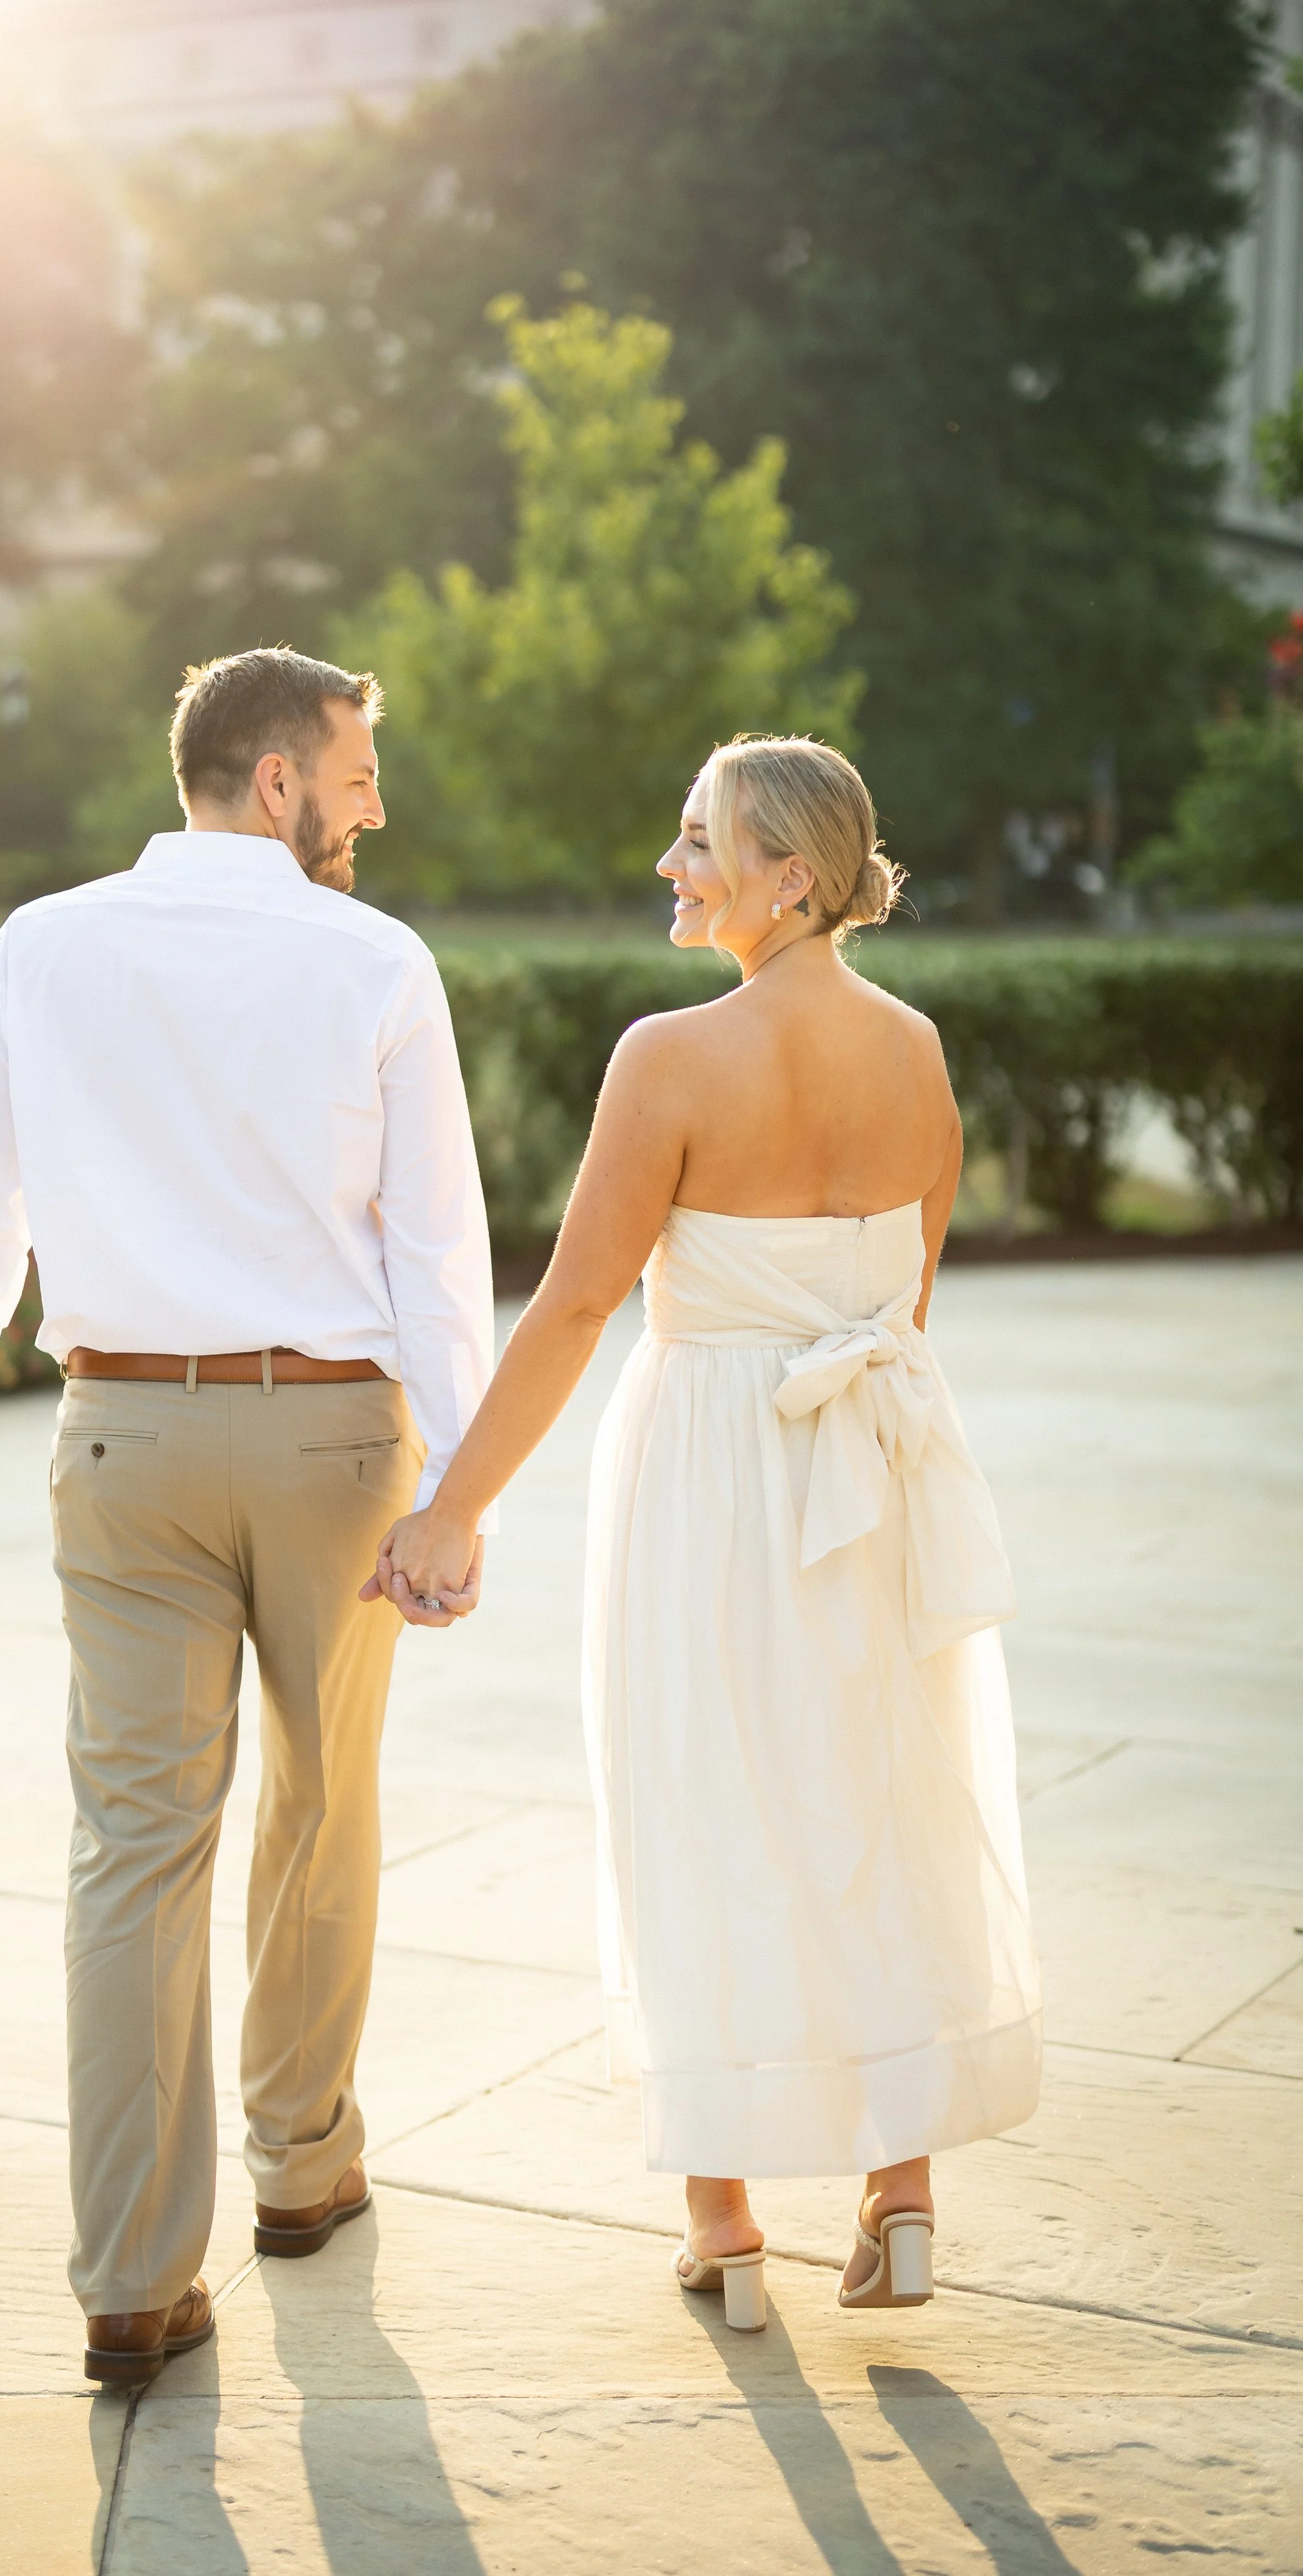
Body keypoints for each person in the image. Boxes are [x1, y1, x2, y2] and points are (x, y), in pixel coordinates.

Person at [369, 734, 1042, 2329]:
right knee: (880, 1798)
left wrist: (452, 1506)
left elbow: (582, 1300)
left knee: (698, 1807)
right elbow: (907, 1306)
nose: (669, 866)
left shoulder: (665, 1059)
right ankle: (901, 2200)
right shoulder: (918, 1050)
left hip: (707, 1472)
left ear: (786, 876)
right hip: (872, 1462)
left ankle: (727, 2228)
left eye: (695, 841)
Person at [0, 647, 494, 2385]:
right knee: (321, 1801)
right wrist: (453, 1489)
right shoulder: (375, 959)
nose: (377, 802)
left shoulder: (42, 940)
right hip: (330, 1449)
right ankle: (302, 2170)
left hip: (120, 1443)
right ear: (276, 779)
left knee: (131, 1851)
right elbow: (433, 1254)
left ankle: (128, 2277)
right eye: (358, 769)